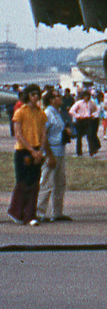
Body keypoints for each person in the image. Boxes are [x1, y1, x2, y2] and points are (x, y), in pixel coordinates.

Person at [9, 87, 46, 225]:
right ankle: (16, 212)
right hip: (23, 151)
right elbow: (18, 134)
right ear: (27, 96)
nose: (36, 97)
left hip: (36, 149)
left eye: (38, 94)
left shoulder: (41, 113)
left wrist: (40, 149)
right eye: (33, 94)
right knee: (22, 182)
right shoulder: (20, 112)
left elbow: (43, 133)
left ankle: (30, 214)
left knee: (34, 182)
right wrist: (31, 150)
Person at [37, 88, 69, 224]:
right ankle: (39, 212)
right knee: (47, 182)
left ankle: (57, 212)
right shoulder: (48, 114)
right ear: (51, 100)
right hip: (52, 152)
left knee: (59, 183)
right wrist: (49, 155)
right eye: (57, 96)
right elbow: (43, 136)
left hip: (60, 152)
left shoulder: (58, 113)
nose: (60, 98)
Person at [70, 89, 99, 157]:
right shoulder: (79, 103)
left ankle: (92, 152)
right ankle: (79, 153)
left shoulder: (91, 103)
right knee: (79, 137)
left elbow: (96, 110)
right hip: (80, 120)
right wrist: (78, 116)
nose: (86, 97)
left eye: (87, 96)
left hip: (88, 120)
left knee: (90, 136)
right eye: (85, 96)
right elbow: (71, 111)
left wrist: (93, 115)